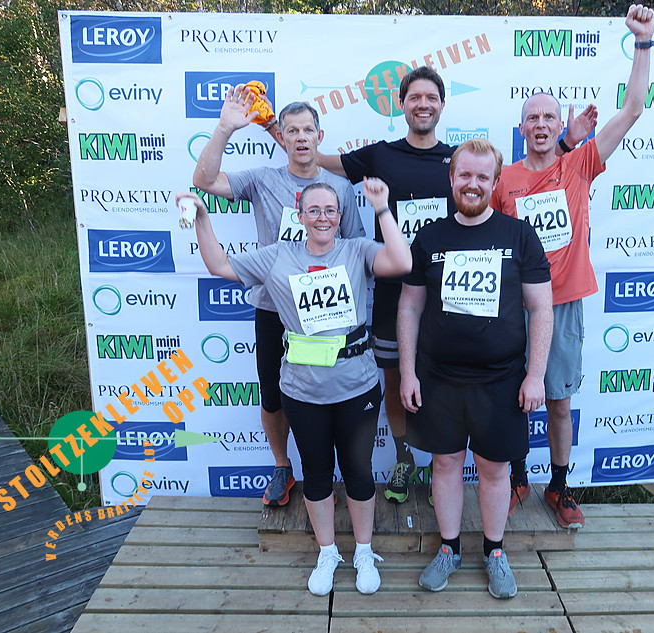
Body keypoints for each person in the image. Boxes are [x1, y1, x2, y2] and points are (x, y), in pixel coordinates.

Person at [180, 177, 411, 596]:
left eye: (330, 210)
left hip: (356, 386)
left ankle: (363, 551)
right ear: (300, 216)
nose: (323, 217)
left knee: (358, 472)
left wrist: (381, 207)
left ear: (340, 216)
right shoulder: (278, 255)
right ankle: (327, 552)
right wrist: (201, 218)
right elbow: (219, 266)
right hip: (303, 390)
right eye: (314, 210)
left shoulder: (356, 249)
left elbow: (401, 262)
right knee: (316, 473)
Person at [491, 4, 654, 529]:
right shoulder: (504, 179)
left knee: (558, 403)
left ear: (560, 125)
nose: (540, 124)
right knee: (513, 401)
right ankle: (518, 479)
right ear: (521, 128)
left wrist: (643, 43)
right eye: (532, 118)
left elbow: (632, 109)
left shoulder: (580, 163)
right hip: (513, 309)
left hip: (562, 306)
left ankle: (559, 487)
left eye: (549, 117)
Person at [193, 93, 365, 508]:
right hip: (274, 309)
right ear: (281, 137)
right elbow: (205, 181)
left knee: (331, 397)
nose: (301, 138)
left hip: (327, 314)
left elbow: (357, 250)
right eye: (292, 131)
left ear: (320, 135)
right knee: (272, 395)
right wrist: (225, 127)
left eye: (308, 130)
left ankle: (328, 477)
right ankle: (282, 465)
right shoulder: (263, 179)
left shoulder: (341, 188)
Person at [398, 138, 553, 599]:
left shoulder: (519, 236)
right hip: (438, 378)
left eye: (483, 177)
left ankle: (494, 551)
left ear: (495, 182)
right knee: (445, 463)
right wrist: (407, 372)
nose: (473, 184)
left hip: (501, 380)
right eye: (465, 175)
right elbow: (409, 308)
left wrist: (535, 374)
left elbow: (541, 309)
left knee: (494, 468)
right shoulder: (429, 238)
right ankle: (448, 548)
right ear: (452, 178)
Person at [315, 66, 455, 504]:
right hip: (394, 293)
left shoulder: (459, 160)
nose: (423, 104)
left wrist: (566, 145)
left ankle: (443, 467)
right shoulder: (381, 155)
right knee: (395, 380)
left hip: (449, 293)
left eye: (430, 97)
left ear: (442, 104)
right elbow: (322, 161)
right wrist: (284, 136)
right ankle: (403, 457)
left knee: (446, 380)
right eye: (415, 97)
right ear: (402, 104)